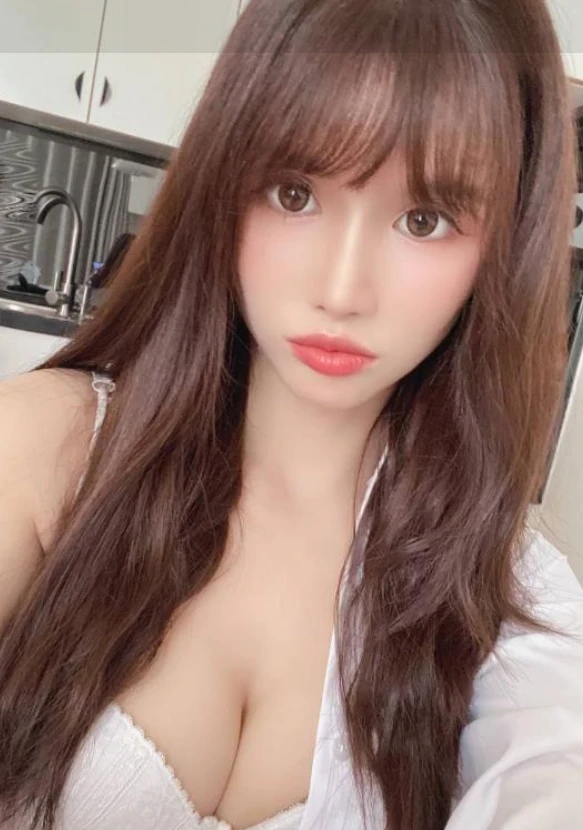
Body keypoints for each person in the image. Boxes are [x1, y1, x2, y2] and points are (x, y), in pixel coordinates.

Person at [0, 1, 582, 828]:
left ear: (505, 243)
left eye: (423, 220)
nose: (341, 291)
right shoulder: (46, 450)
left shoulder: (511, 590)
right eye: (293, 193)